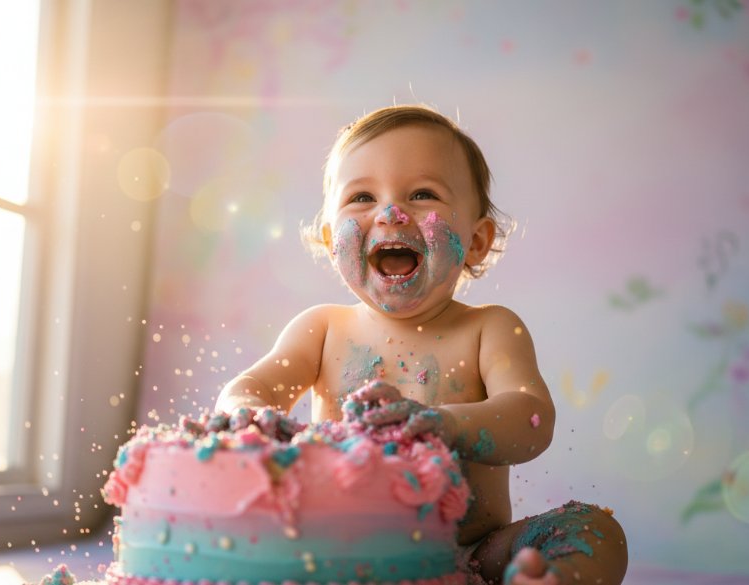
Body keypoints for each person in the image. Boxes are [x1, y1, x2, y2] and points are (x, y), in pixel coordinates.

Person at [215, 104, 628, 585]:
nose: (391, 213)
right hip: (335, 554)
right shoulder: (322, 329)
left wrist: (446, 424)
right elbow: (250, 388)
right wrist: (246, 416)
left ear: (476, 242)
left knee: (596, 528)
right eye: (363, 197)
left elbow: (532, 419)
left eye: (422, 194)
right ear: (332, 243)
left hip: (469, 554)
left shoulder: (488, 329)